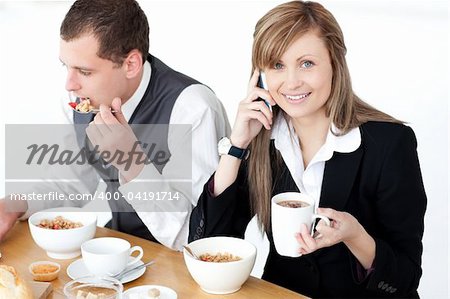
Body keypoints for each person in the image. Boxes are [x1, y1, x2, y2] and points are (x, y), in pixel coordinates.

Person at [188, 1, 426, 297]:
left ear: (335, 63)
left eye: (307, 63)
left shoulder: (389, 144)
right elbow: (209, 245)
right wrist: (236, 147)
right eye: (277, 65)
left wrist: (354, 235)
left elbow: (405, 278)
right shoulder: (263, 140)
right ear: (260, 75)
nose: (291, 82)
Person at [0, 0, 230, 251]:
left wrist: (130, 160)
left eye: (84, 71)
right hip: (124, 247)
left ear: (131, 64)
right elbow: (72, 181)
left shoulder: (193, 108)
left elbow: (193, 234)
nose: (70, 84)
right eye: (65, 66)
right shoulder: (80, 101)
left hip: (194, 265)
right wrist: (14, 205)